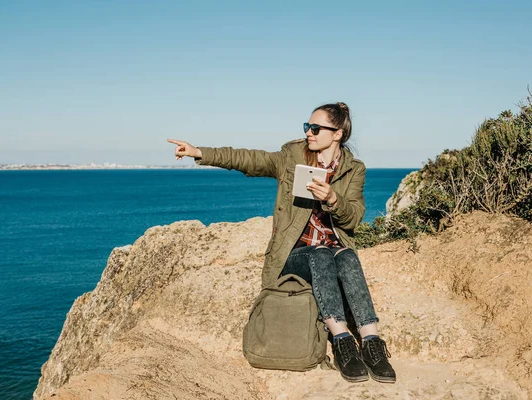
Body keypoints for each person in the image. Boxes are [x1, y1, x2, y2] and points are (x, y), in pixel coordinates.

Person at [167, 102, 396, 383]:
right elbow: (250, 159)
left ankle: (372, 343)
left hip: (334, 248)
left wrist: (333, 199)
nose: (308, 133)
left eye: (315, 128)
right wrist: (199, 152)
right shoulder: (292, 156)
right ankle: (342, 342)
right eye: (306, 127)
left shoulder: (353, 170)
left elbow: (354, 219)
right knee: (321, 254)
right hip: (294, 253)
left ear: (336, 134)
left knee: (347, 256)